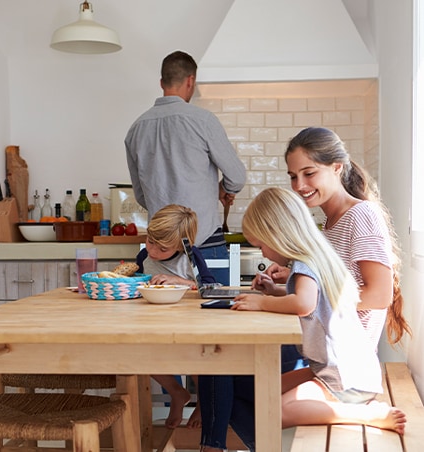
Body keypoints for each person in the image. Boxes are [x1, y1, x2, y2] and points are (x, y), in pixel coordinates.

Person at [231, 187, 406, 439]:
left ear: (277, 235)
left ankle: (366, 416)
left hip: (342, 375)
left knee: (275, 411)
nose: (263, 253)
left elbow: (304, 304)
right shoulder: (315, 257)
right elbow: (316, 300)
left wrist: (261, 303)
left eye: (261, 245)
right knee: (264, 389)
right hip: (343, 367)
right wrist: (274, 293)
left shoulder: (304, 262)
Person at [267, 126, 411, 347]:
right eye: (293, 176)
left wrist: (309, 298)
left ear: (336, 167)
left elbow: (379, 295)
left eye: (309, 173)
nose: (299, 185)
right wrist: (286, 284)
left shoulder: (361, 215)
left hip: (349, 363)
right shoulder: (332, 222)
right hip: (328, 352)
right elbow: (340, 283)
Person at [125, 50, 246, 285]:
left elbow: (141, 196)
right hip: (205, 244)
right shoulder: (203, 120)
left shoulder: (136, 129)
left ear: (161, 82)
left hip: (159, 251)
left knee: (155, 317)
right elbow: (237, 177)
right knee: (212, 312)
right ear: (191, 81)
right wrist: (221, 189)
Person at [135, 204, 215, 429]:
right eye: (150, 242)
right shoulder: (144, 255)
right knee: (141, 357)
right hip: (152, 324)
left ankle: (202, 404)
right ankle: (177, 393)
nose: (152, 251)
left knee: (197, 363)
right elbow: (137, 281)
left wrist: (182, 282)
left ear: (182, 245)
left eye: (162, 249)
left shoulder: (190, 257)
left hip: (188, 326)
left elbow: (209, 286)